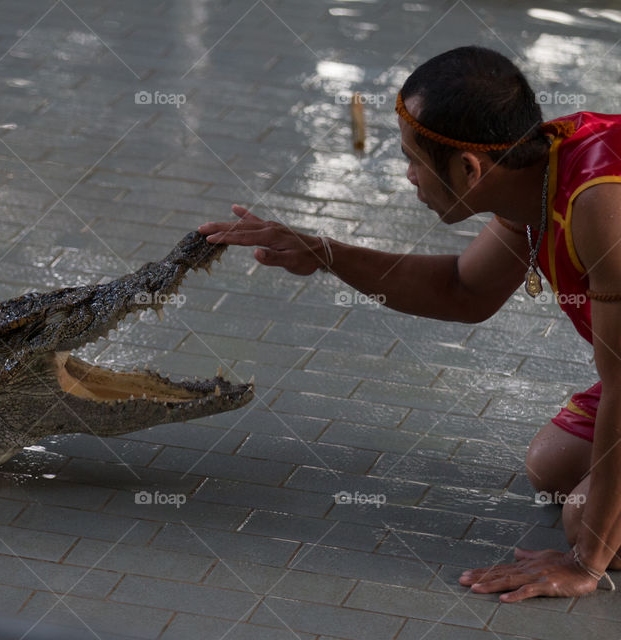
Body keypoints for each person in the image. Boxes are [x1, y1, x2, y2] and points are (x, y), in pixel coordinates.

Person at [199, 45, 621, 602]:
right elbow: (463, 290)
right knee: (554, 465)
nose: (408, 177)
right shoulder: (540, 168)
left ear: (467, 169)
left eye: (414, 159)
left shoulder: (600, 207)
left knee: (587, 518)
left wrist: (585, 563)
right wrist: (324, 251)